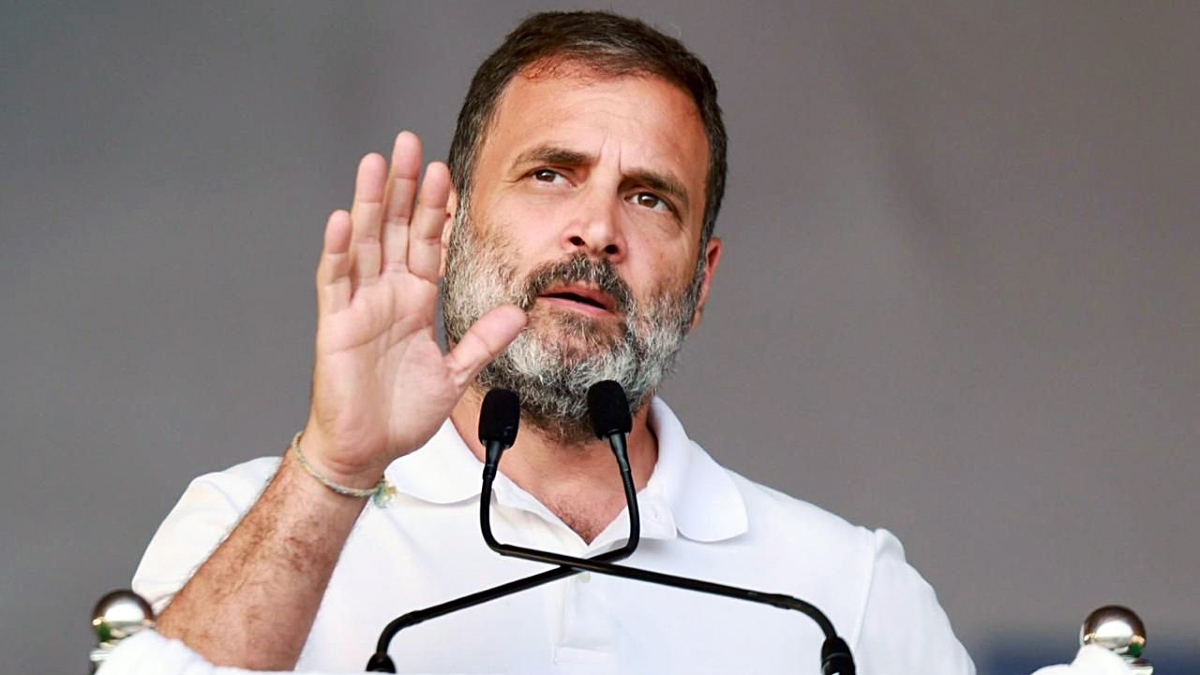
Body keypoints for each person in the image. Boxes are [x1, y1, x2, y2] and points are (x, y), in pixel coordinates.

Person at [130, 10, 974, 674]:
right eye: (550, 174)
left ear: (702, 280)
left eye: (649, 198)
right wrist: (335, 470)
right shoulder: (245, 522)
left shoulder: (847, 595)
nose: (597, 229)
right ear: (450, 225)